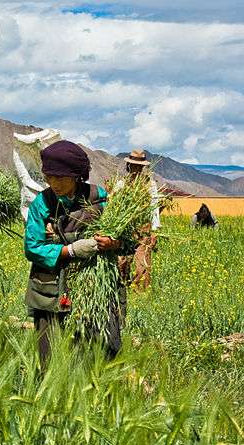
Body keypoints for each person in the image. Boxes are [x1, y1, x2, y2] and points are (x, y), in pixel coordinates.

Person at [24, 140, 123, 365]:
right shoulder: (42, 204)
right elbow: (33, 247)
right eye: (49, 177)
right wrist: (70, 250)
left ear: (77, 175)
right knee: (50, 357)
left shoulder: (99, 199)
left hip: (92, 288)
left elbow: (126, 238)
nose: (53, 183)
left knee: (97, 353)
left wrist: (113, 243)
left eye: (60, 178)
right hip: (50, 290)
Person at [115, 150, 161, 290]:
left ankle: (141, 290)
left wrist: (155, 230)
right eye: (134, 166)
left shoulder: (150, 185)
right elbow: (114, 205)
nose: (136, 169)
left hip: (144, 229)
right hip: (125, 228)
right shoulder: (122, 184)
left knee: (143, 262)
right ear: (129, 166)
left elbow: (154, 207)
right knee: (122, 261)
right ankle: (122, 286)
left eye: (139, 167)